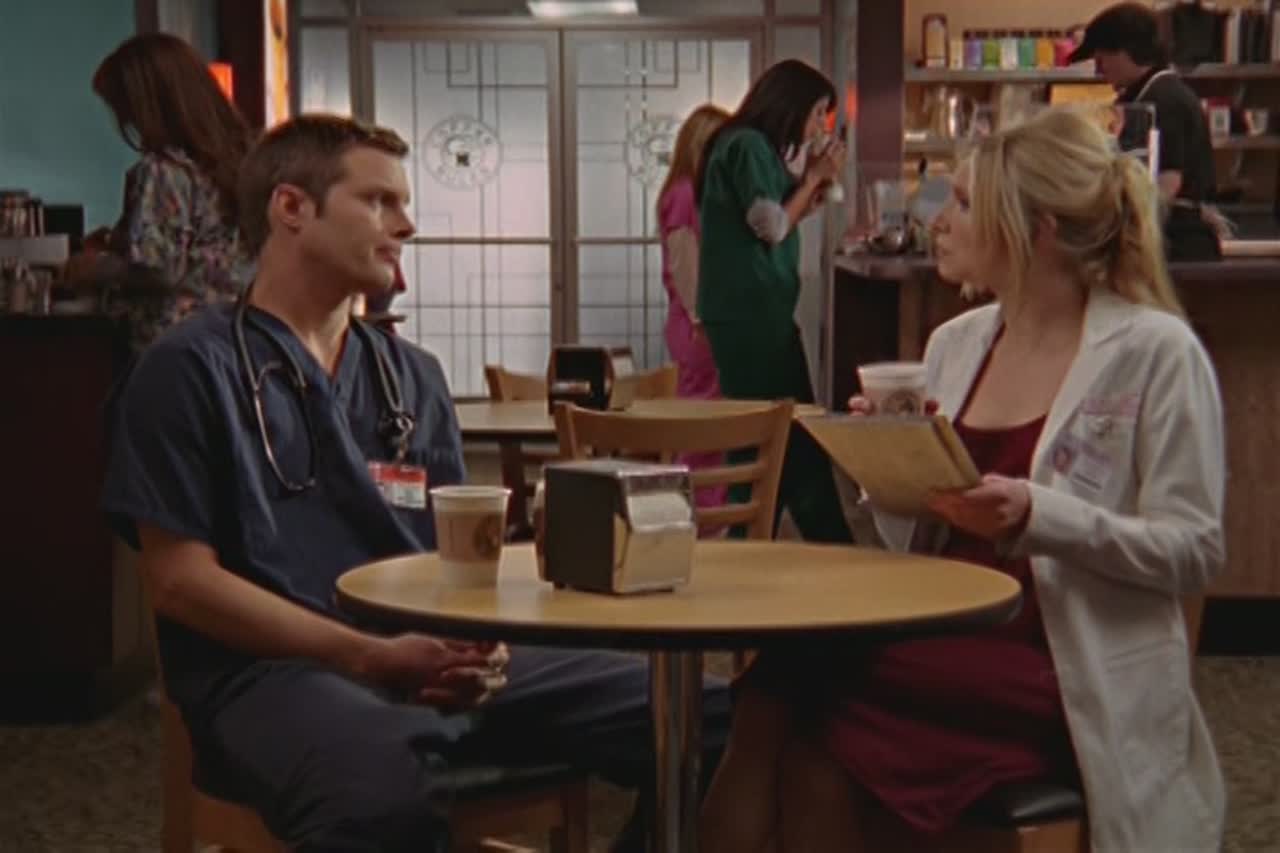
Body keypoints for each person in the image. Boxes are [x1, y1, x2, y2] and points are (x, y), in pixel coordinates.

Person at [101, 114, 730, 852]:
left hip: (420, 657)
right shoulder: (188, 370)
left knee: (713, 720)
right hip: (273, 673)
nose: (406, 225)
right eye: (379, 202)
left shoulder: (411, 378)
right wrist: (366, 655)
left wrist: (481, 645)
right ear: (292, 207)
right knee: (376, 793)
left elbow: (449, 561)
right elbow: (179, 583)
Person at [699, 106, 1225, 852]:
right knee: (777, 694)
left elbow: (1194, 550)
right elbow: (915, 533)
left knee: (806, 730)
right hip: (941, 618)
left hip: (1049, 652)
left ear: (1037, 231)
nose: (938, 222)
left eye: (967, 204)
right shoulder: (956, 343)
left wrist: (1040, 518)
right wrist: (885, 459)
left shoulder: (1154, 353)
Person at [695, 59, 852, 543]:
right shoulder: (746, 145)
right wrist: (812, 179)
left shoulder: (752, 148)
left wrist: (812, 186)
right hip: (749, 317)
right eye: (817, 112)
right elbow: (771, 226)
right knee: (773, 436)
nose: (819, 125)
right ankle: (821, 543)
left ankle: (771, 540)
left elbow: (776, 221)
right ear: (791, 105)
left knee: (781, 438)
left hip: (758, 315)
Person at [67, 33, 254, 354]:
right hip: (234, 339)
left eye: (124, 109)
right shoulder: (244, 160)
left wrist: (94, 267)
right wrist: (120, 241)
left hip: (172, 346)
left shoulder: (163, 170)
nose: (125, 121)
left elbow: (160, 270)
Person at [1070, 2, 1222, 260]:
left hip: (1178, 243)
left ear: (1125, 52)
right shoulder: (1143, 97)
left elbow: (1168, 182)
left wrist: (1117, 229)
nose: (1098, 70)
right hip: (1164, 237)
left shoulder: (1165, 99)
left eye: (1101, 59)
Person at [657, 103, 731, 517]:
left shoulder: (690, 193)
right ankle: (699, 515)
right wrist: (703, 319)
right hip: (698, 327)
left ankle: (703, 513)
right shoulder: (686, 194)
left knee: (708, 427)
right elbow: (685, 261)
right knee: (704, 428)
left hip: (695, 323)